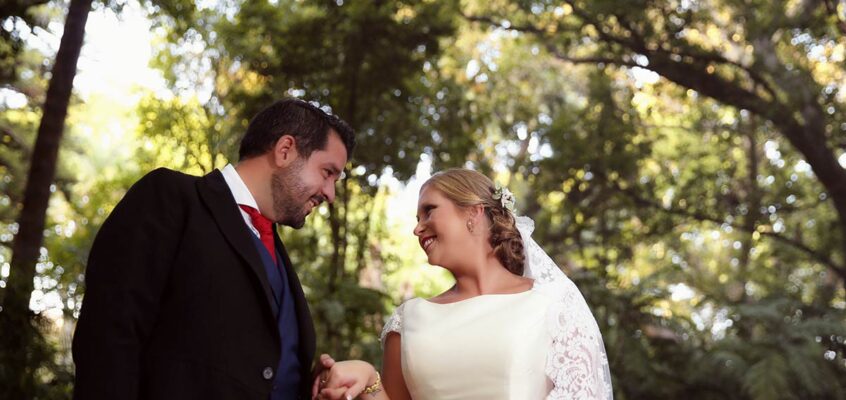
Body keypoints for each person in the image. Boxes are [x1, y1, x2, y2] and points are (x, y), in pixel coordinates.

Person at [72, 98, 355, 400]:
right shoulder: (170, 198)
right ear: (285, 150)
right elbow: (108, 340)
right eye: (328, 172)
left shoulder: (279, 256)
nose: (330, 194)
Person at [314, 168, 613, 400]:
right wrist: (367, 379)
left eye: (429, 210)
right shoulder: (407, 320)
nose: (417, 228)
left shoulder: (552, 304)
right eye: (417, 217)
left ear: (474, 212)